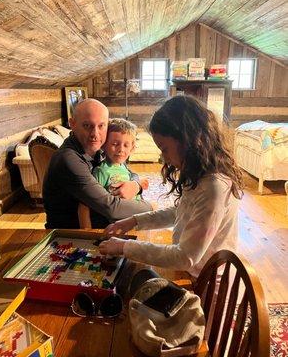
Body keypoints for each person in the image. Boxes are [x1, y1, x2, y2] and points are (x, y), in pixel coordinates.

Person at [99, 95, 243, 278]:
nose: (164, 158)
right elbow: (181, 212)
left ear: (188, 141)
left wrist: (123, 247)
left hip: (203, 283)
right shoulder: (200, 173)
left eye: (164, 149)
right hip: (189, 271)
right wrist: (133, 221)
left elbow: (185, 257)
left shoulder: (214, 187)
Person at [43, 99, 152, 229]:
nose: (95, 134)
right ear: (72, 124)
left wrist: (136, 185)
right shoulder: (68, 159)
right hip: (72, 235)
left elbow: (127, 171)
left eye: (101, 126)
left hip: (101, 225)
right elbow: (111, 207)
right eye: (87, 126)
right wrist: (151, 207)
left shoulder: (98, 148)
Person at [78, 118, 149, 226]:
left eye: (126, 145)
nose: (121, 149)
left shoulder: (123, 167)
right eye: (115, 144)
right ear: (104, 145)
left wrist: (139, 184)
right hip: (114, 227)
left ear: (132, 148)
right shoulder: (101, 171)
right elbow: (84, 205)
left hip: (133, 222)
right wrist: (88, 232)